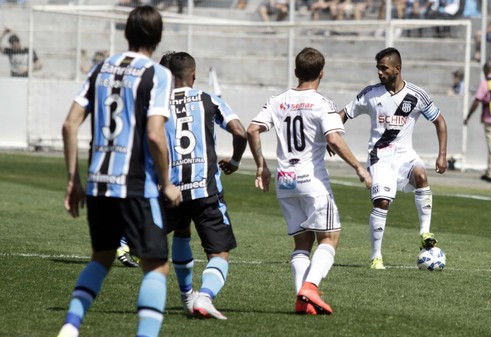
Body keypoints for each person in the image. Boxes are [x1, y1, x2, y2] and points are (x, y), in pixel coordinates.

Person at [53, 6, 181, 337]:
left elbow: (69, 125)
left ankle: (69, 330)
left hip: (98, 183)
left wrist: (73, 180)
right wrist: (168, 183)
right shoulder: (157, 74)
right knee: (156, 266)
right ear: (157, 38)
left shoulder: (101, 68)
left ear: (126, 33)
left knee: (101, 258)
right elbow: (156, 134)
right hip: (136, 185)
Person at [246, 47, 371, 315]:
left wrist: (260, 166)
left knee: (302, 243)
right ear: (321, 73)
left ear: (295, 72)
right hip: (312, 179)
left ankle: (301, 299)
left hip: (285, 180)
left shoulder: (277, 100)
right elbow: (334, 139)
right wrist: (359, 167)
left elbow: (252, 128)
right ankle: (311, 287)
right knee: (330, 237)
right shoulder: (322, 103)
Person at [340, 47, 448, 270]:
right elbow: (344, 113)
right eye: (378, 68)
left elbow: (440, 122)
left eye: (384, 68)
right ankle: (376, 256)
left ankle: (424, 233)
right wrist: (330, 135)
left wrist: (442, 155)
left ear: (397, 69)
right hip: (380, 157)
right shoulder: (370, 94)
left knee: (421, 175)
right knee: (382, 202)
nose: (379, 72)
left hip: (405, 154)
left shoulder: (416, 95)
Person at [159, 51, 248, 320]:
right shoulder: (209, 100)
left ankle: (187, 295)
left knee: (181, 232)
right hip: (206, 190)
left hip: (171, 190)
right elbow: (240, 132)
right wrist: (234, 160)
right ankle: (204, 296)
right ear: (194, 76)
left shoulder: (157, 105)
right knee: (219, 253)